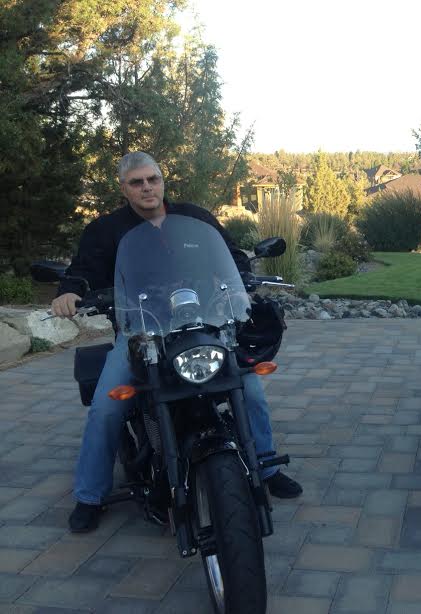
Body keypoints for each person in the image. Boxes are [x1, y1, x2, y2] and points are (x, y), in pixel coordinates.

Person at [53, 152, 302, 532]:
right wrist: (69, 292)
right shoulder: (105, 230)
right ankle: (90, 495)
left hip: (204, 324)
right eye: (137, 182)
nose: (146, 187)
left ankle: (266, 466)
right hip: (141, 334)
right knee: (106, 408)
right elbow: (82, 271)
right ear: (124, 188)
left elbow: (231, 256)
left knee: (249, 389)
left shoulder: (194, 218)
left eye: (152, 179)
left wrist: (242, 282)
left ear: (162, 180)